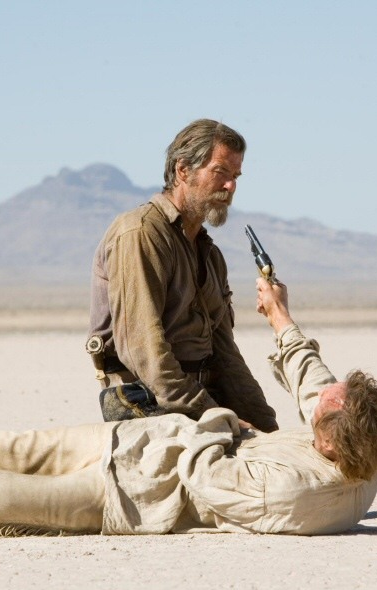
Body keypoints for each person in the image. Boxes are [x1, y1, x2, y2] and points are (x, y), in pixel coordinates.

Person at [0, 279, 377, 537]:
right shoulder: (354, 449)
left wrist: (217, 424)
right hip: (136, 443)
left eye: (328, 406)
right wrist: (280, 315)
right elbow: (314, 381)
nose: (322, 396)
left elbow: (208, 483)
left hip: (133, 494)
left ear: (330, 439)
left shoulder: (298, 493)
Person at [88, 118, 278, 431]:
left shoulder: (210, 255)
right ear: (183, 170)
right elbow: (145, 350)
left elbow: (225, 354)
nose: (230, 186)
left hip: (198, 397)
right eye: (220, 172)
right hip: (146, 398)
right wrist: (215, 417)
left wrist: (265, 426)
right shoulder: (141, 234)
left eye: (235, 176)